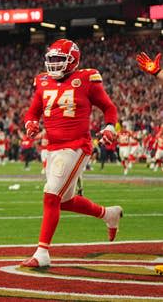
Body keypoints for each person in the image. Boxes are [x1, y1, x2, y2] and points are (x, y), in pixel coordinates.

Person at [21, 39, 122, 268]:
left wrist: (108, 126)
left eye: (59, 60)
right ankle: (108, 214)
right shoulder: (42, 81)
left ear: (72, 61)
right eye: (52, 59)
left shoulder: (86, 79)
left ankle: (42, 252)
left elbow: (109, 107)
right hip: (52, 148)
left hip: (76, 145)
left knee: (51, 195)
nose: (54, 64)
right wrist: (31, 124)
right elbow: (32, 112)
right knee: (62, 201)